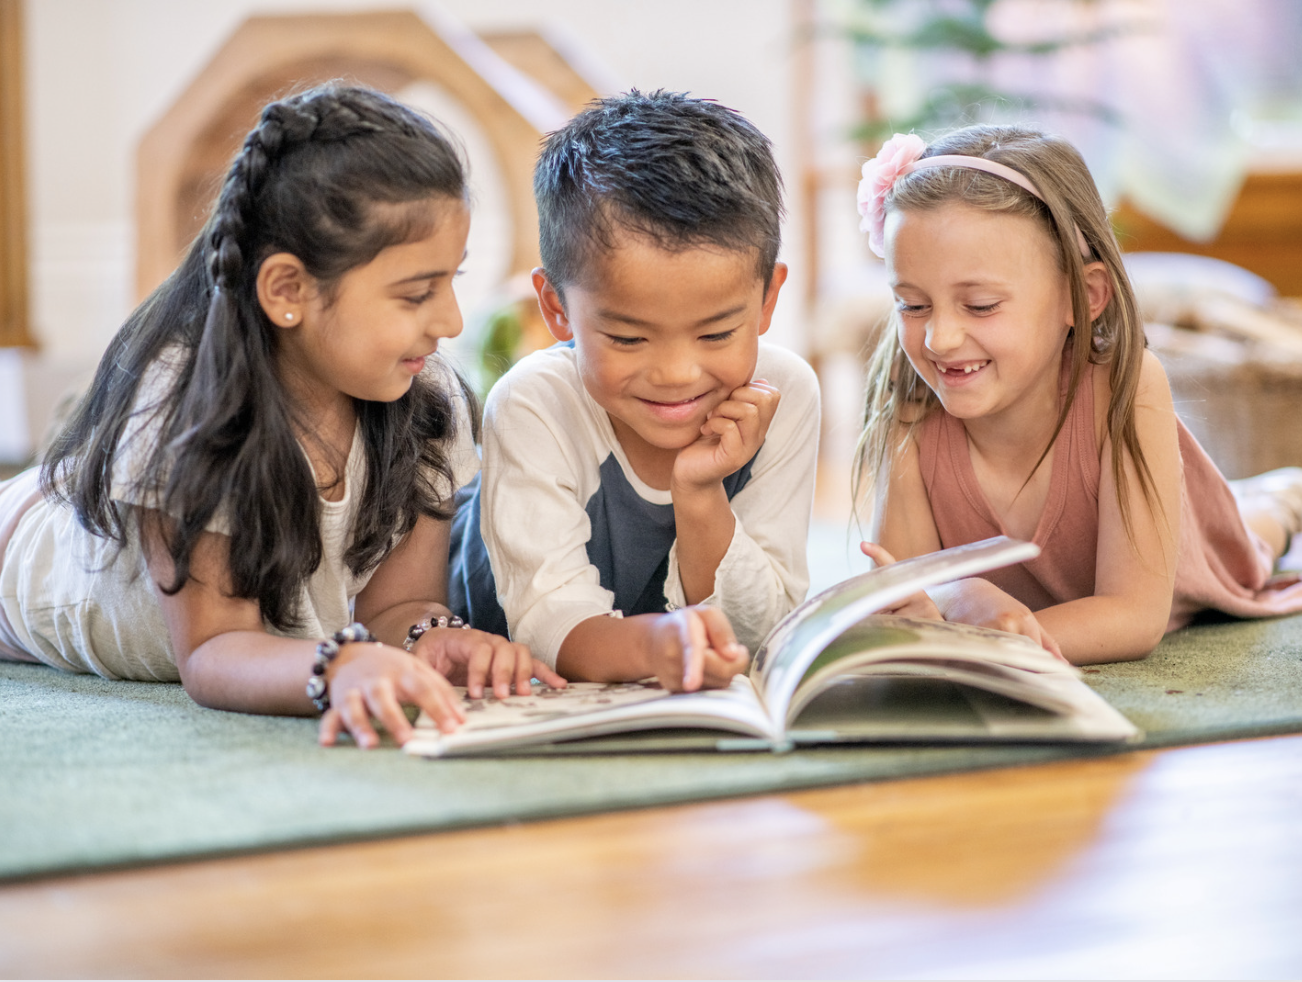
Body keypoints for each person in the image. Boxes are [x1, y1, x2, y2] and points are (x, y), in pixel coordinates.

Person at [0, 84, 562, 749]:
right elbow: (214, 652)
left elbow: (395, 607)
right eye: (416, 294)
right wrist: (339, 665)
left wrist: (434, 638)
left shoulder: (425, 397)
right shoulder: (189, 413)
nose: (450, 321)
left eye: (451, 282)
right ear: (288, 290)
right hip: (27, 558)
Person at [854, 126, 1302, 665]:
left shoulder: (1126, 387)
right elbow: (902, 589)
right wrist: (958, 593)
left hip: (1193, 549)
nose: (938, 339)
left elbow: (1132, 618)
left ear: (1081, 297)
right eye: (912, 305)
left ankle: (1280, 496)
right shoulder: (907, 407)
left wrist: (986, 641)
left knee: (1249, 539)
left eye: (980, 305)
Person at [450, 90, 821, 691]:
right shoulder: (533, 403)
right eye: (627, 338)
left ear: (768, 299)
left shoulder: (783, 394)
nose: (677, 373)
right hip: (493, 623)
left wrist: (700, 494)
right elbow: (548, 624)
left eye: (716, 332)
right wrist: (665, 645)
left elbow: (762, 631)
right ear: (556, 308)